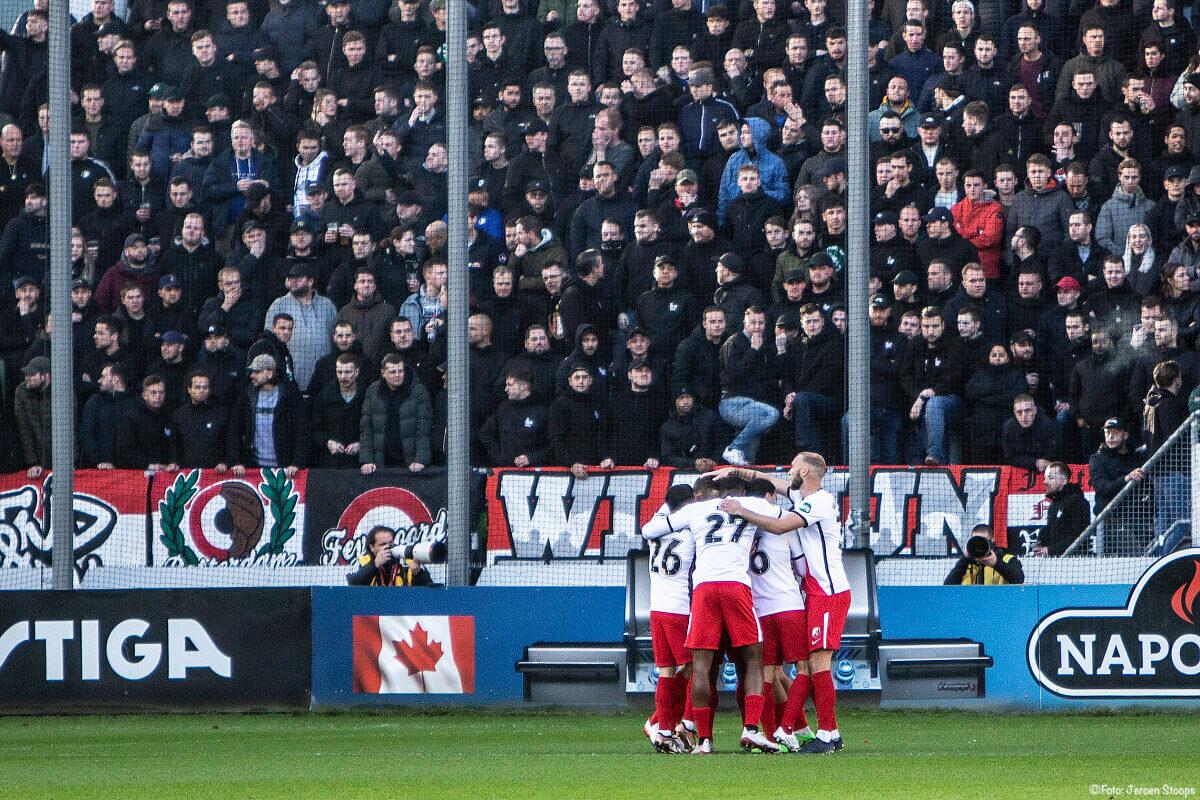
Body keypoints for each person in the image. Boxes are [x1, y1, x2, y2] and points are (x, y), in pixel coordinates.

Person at [642, 473, 784, 755]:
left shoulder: (696, 508)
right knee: (754, 659)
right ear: (741, 492)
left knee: (702, 666)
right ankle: (752, 730)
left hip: (703, 591)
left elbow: (649, 531)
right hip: (736, 587)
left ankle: (703, 740)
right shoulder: (753, 505)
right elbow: (787, 511)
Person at [717, 452, 850, 754]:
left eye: (791, 466)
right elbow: (772, 485)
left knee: (815, 665)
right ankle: (829, 732)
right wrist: (737, 471)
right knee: (809, 666)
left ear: (804, 471)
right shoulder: (804, 497)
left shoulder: (817, 502)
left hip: (828, 591)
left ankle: (805, 731)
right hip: (812, 593)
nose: (786, 470)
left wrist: (740, 509)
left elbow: (779, 526)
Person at [638, 483, 697, 754]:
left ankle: (661, 730)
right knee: (695, 668)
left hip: (657, 608)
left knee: (666, 671)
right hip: (679, 610)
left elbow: (656, 519)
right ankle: (670, 723)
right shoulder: (691, 534)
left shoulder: (657, 530)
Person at [223, 353, 308, 476]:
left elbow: (302, 431)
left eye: (257, 372)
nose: (252, 375)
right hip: (253, 467)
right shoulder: (247, 394)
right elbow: (234, 429)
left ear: (269, 373)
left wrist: (297, 463)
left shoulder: (290, 395)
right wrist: (235, 461)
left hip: (285, 469)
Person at [359, 354, 432, 474]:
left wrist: (421, 459)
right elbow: (367, 429)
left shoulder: (418, 392)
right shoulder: (372, 391)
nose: (397, 375)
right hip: (381, 463)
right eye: (392, 372)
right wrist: (366, 460)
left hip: (409, 464)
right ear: (383, 373)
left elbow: (423, 430)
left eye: (400, 371)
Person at [345, 525, 433, 586]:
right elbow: (352, 583)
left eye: (390, 543)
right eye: (383, 545)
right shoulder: (363, 561)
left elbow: (428, 587)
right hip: (372, 607)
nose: (387, 547)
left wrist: (417, 574)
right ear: (372, 547)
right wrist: (375, 565)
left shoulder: (405, 559)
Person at [1034, 462, 1091, 556]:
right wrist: (1041, 543)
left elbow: (1079, 535)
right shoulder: (1053, 505)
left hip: (1074, 561)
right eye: (1045, 478)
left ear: (1063, 481)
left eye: (1050, 478)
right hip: (1055, 562)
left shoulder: (1077, 501)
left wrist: (1051, 551)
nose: (1045, 482)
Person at [943, 523, 1025, 584]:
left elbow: (1019, 580)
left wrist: (996, 563)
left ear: (992, 542)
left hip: (998, 603)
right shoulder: (965, 563)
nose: (979, 546)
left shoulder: (1006, 559)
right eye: (976, 542)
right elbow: (948, 587)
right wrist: (965, 559)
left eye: (983, 542)